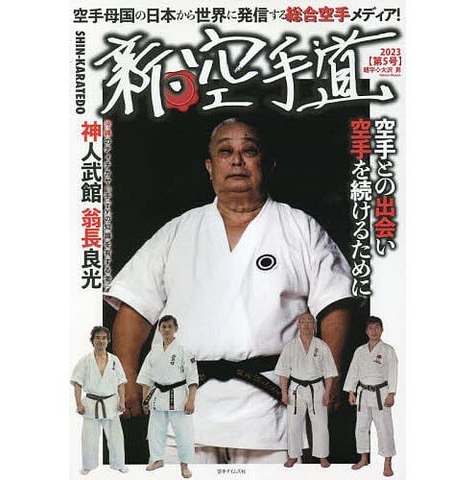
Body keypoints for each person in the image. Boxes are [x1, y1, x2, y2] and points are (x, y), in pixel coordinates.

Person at [104, 117, 353, 463]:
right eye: (225, 152)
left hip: (272, 409)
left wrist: (331, 375)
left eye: (249, 151)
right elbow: (135, 306)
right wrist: (128, 377)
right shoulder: (179, 231)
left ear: (268, 164)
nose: (237, 161)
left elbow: (335, 304)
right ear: (210, 167)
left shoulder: (299, 228)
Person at [137, 315, 198, 478]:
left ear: (176, 329)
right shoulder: (154, 351)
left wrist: (191, 400)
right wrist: (145, 400)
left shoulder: (184, 351)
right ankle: (157, 460)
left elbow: (192, 378)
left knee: (183, 433)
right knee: (155, 432)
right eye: (163, 326)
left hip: (178, 396)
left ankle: (184, 465)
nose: (166, 330)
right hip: (157, 396)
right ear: (159, 329)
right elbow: (145, 378)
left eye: (170, 326)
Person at [274, 312, 338, 468]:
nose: (307, 325)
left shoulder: (322, 346)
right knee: (294, 425)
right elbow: (283, 372)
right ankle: (293, 456)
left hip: (317, 388)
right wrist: (284, 392)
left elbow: (329, 373)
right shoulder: (290, 346)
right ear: (298, 325)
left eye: (310, 322)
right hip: (296, 390)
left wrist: (327, 393)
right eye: (303, 322)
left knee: (320, 424)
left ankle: (323, 457)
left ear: (314, 325)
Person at [343, 316, 398, 477]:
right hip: (363, 394)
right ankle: (363, 458)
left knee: (384, 429)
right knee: (361, 428)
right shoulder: (360, 351)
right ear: (366, 331)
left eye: (376, 328)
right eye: (370, 328)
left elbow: (393, 373)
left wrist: (392, 393)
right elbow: (353, 371)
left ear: (382, 329)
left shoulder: (388, 350)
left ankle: (387, 462)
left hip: (381, 394)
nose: (373, 331)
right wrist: (351, 391)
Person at [70, 326, 128, 475]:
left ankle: (119, 464)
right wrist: (78, 403)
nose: (101, 341)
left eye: (104, 338)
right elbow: (77, 383)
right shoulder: (85, 361)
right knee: (89, 438)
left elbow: (121, 383)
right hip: (91, 404)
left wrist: (122, 401)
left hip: (111, 403)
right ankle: (88, 465)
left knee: (116, 437)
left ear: (108, 341)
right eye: (97, 338)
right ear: (92, 340)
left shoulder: (114, 360)